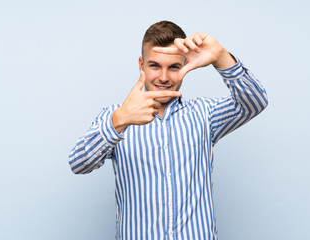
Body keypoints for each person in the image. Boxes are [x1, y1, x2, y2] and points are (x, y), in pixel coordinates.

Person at [69, 20, 268, 240]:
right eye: (154, 65)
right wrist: (118, 122)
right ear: (141, 65)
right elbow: (79, 163)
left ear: (185, 65)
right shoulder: (116, 115)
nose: (164, 77)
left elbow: (255, 102)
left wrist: (221, 57)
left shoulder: (205, 114)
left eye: (174, 67)